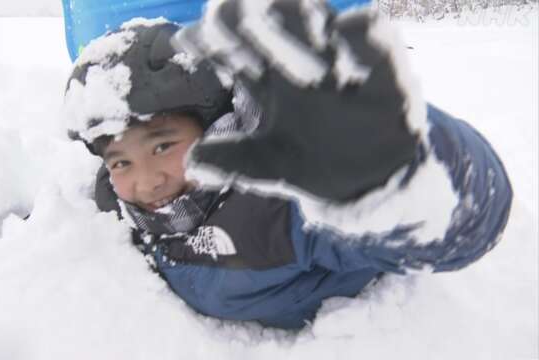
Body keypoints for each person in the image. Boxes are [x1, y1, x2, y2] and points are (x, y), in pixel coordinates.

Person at [63, 1, 513, 330]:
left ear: (216, 127)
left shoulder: (283, 203)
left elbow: (459, 217)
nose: (146, 180)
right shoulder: (125, 203)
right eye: (120, 161)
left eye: (163, 146)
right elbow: (68, 232)